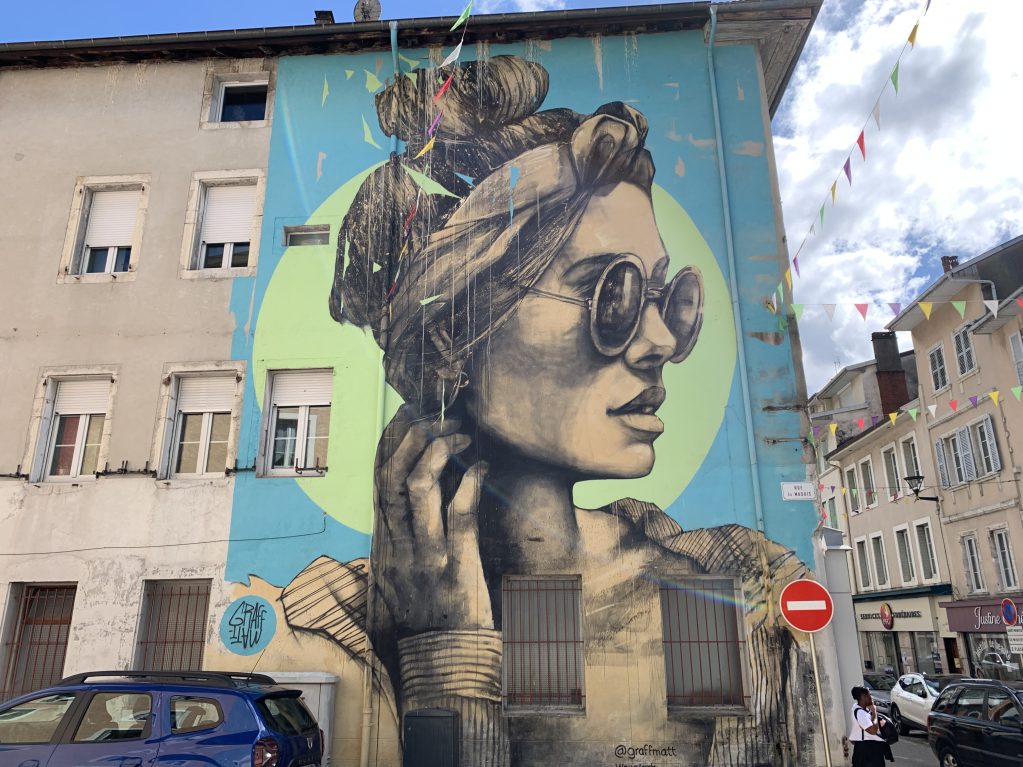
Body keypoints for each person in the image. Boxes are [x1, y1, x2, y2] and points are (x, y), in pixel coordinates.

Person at [279, 54, 817, 766]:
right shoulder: (332, 628)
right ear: (450, 338)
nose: (661, 342)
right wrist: (444, 651)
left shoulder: (718, 585)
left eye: (669, 298)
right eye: (612, 293)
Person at [849, 686, 891, 766]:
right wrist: (874, 713)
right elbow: (873, 730)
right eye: (869, 695)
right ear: (863, 697)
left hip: (868, 748)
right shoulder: (860, 713)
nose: (871, 698)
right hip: (867, 751)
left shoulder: (858, 708)